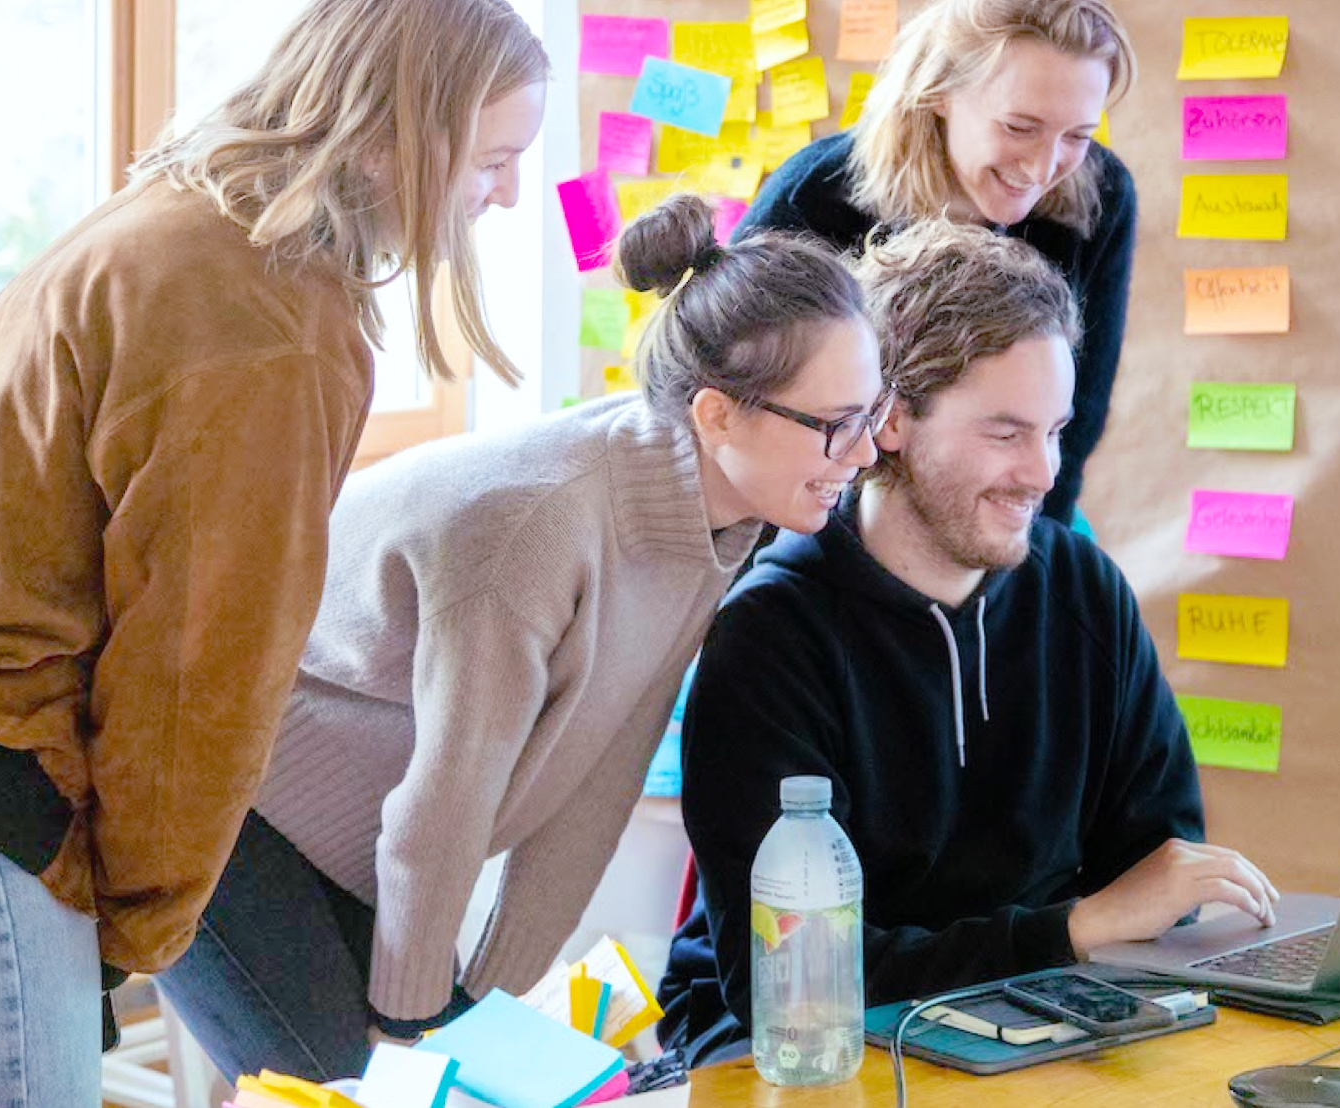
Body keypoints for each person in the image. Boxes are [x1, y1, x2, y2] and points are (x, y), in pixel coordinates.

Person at [0, 1, 546, 1104]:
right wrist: (135, 925)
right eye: (495, 159)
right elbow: (197, 678)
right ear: (396, 130)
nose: (510, 193)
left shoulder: (190, 219)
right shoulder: (271, 322)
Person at [155, 192, 893, 1083]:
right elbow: (442, 808)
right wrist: (415, 1030)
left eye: (872, 413)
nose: (862, 455)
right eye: (834, 425)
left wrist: (482, 1019)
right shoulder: (534, 530)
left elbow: (596, 787)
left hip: (360, 836)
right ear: (716, 414)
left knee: (470, 1074)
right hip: (218, 799)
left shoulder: (715, 528)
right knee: (344, 1089)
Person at [657, 221, 1277, 1065]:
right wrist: (1078, 928)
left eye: (1054, 430)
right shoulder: (771, 634)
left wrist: (1109, 930)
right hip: (812, 1046)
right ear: (894, 418)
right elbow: (789, 979)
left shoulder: (1085, 589)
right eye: (1006, 432)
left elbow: (1156, 874)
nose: (1044, 471)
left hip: (1037, 1015)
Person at [736, 0, 1136, 527]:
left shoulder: (1100, 199)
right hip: (819, 518)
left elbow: (1078, 412)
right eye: (1020, 127)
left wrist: (1032, 553)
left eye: (1078, 136)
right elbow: (740, 407)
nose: (1044, 167)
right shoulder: (813, 199)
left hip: (1004, 517)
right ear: (940, 91)